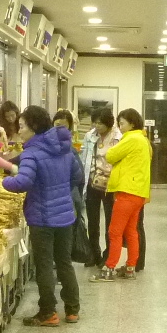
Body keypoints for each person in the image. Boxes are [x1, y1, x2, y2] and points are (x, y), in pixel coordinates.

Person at [2, 104, 83, 326]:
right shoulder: (65, 148)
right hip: (65, 215)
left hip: (42, 218)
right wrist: (61, 193)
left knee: (45, 265)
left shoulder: (32, 153)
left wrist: (4, 181)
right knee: (64, 263)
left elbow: (22, 182)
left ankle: (48, 312)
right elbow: (77, 177)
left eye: (22, 126)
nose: (19, 131)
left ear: (34, 127)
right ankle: (73, 310)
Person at [95, 107, 152, 281]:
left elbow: (111, 155)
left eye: (122, 123)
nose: (120, 127)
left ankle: (109, 268)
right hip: (138, 191)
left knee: (115, 231)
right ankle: (130, 267)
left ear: (132, 124)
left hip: (127, 190)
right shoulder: (142, 139)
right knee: (131, 231)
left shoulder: (132, 138)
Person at [81, 110, 120, 268]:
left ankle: (108, 254)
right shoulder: (90, 136)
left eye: (100, 123)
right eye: (95, 122)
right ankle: (93, 253)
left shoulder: (118, 137)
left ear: (108, 124)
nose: (97, 126)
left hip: (111, 184)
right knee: (92, 220)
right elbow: (85, 157)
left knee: (110, 222)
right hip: (92, 182)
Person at [53, 109, 88, 261]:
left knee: (66, 232)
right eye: (57, 125)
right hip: (58, 197)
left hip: (66, 196)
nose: (60, 130)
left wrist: (65, 188)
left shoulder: (69, 150)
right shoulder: (47, 146)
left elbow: (79, 177)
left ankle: (64, 258)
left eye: (64, 126)